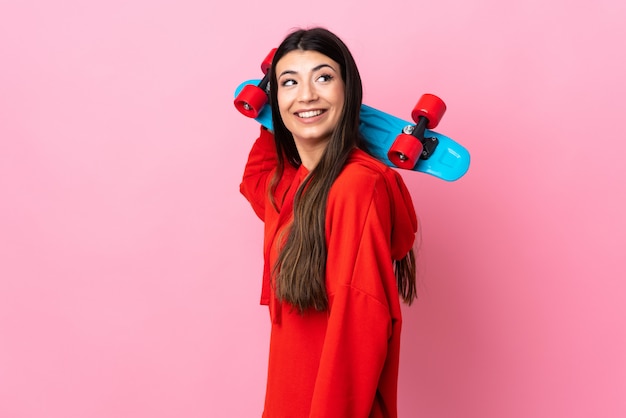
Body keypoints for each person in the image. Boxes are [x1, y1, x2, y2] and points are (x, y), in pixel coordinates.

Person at [240, 27, 418, 418]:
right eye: (290, 82)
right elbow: (256, 181)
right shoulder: (295, 188)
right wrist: (267, 117)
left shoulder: (357, 187)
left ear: (348, 91)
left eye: (323, 77)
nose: (306, 94)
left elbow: (359, 325)